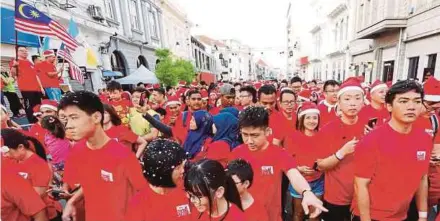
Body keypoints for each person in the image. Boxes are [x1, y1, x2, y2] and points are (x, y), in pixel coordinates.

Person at [59, 91, 147, 221]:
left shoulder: (123, 156)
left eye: (74, 117)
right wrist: (72, 201)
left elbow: (144, 195)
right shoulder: (78, 150)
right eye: (66, 119)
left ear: (96, 117)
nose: (69, 125)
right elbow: (92, 183)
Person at [352, 79, 431, 221]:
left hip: (402, 215)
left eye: (417, 101)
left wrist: (423, 215)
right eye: (403, 101)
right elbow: (360, 185)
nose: (411, 107)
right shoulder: (372, 140)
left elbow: (422, 178)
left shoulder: (424, 138)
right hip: (372, 215)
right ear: (389, 106)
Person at [230, 106, 327, 221]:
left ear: (267, 131)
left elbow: (293, 174)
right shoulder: (237, 153)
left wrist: (306, 192)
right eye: (245, 135)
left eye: (255, 135)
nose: (249, 141)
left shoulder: (278, 153)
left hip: (271, 216)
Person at [316, 77, 366, 221]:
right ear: (339, 102)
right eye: (347, 99)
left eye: (357, 98)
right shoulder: (328, 130)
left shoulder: (370, 128)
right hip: (336, 197)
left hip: (363, 196)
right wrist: (341, 153)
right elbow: (321, 165)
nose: (352, 103)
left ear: (363, 101)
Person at [1, 129, 62, 221]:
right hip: (26, 213)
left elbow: (37, 195)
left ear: (21, 147)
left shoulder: (38, 165)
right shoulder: (14, 160)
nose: (5, 155)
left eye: (7, 151)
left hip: (46, 214)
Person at [125, 139, 191, 221]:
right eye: (178, 168)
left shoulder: (187, 190)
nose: (183, 170)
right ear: (164, 172)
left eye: (182, 165)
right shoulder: (138, 206)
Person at [285, 102, 324, 221]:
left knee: (315, 214)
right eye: (308, 117)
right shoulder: (292, 137)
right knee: (298, 213)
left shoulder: (323, 135)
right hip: (298, 181)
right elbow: (286, 160)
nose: (312, 121)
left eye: (315, 118)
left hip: (318, 181)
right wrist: (298, 168)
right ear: (301, 119)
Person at [9, 46, 44, 123]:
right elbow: (13, 74)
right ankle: (32, 123)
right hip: (26, 89)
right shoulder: (15, 61)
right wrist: (14, 66)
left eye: (26, 51)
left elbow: (36, 75)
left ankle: (39, 122)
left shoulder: (29, 62)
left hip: (37, 89)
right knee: (29, 107)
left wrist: (41, 87)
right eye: (22, 51)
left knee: (38, 106)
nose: (25, 52)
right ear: (17, 52)